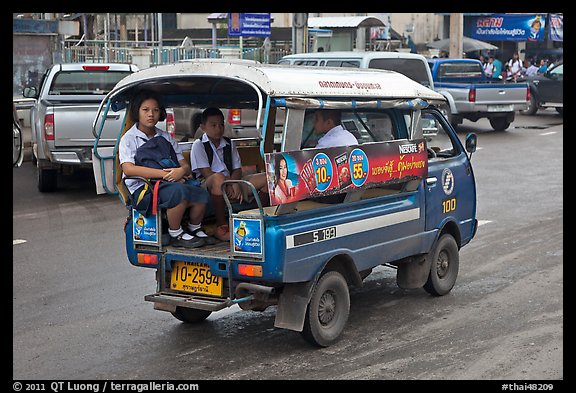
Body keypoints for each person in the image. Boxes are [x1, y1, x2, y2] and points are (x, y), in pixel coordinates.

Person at [119, 90, 213, 248]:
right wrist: (165, 174)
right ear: (137, 111)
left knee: (201, 192)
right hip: (144, 189)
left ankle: (194, 228)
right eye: (146, 110)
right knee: (178, 192)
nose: (151, 114)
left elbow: (184, 165)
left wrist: (181, 171)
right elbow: (129, 170)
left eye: (155, 110)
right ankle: (175, 232)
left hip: (169, 181)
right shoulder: (129, 138)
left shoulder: (165, 137)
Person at [190, 107, 268, 242]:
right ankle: (222, 226)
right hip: (207, 185)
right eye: (213, 125)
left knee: (267, 178)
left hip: (232, 181)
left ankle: (255, 220)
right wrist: (231, 183)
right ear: (203, 127)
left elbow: (237, 169)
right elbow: (206, 173)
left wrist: (234, 183)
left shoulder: (229, 143)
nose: (218, 129)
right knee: (218, 178)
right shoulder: (199, 145)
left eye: (221, 125)